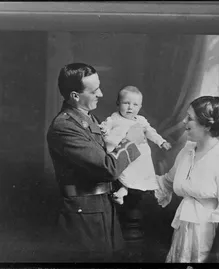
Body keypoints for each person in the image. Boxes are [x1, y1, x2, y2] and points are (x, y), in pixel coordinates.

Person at [46, 63, 145, 261]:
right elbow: (108, 168)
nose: (100, 94)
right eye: (94, 90)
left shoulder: (88, 119)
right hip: (84, 217)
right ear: (75, 95)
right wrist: (132, 138)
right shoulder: (64, 127)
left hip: (103, 208)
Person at [155, 96, 219, 263]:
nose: (184, 121)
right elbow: (167, 182)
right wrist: (130, 177)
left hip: (215, 239)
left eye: (190, 118)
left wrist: (214, 256)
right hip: (186, 233)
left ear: (207, 125)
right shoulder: (187, 151)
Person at [99, 86, 172, 204]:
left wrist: (161, 141)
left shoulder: (141, 120)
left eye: (135, 105)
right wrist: (104, 130)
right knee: (125, 172)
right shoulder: (114, 118)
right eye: (126, 103)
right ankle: (122, 191)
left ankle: (125, 191)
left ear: (140, 107)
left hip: (139, 156)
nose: (130, 108)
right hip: (121, 151)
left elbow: (150, 132)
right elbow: (104, 128)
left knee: (138, 174)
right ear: (118, 103)